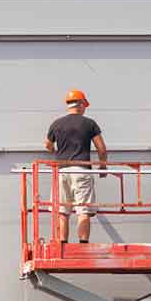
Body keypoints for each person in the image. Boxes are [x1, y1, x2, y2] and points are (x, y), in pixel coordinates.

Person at [45, 89, 108, 243]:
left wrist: (56, 151)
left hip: (62, 171)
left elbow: (48, 145)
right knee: (84, 210)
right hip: (81, 169)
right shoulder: (89, 123)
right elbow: (101, 148)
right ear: (80, 104)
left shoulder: (56, 124)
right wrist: (103, 166)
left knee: (62, 210)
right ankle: (83, 244)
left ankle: (63, 243)